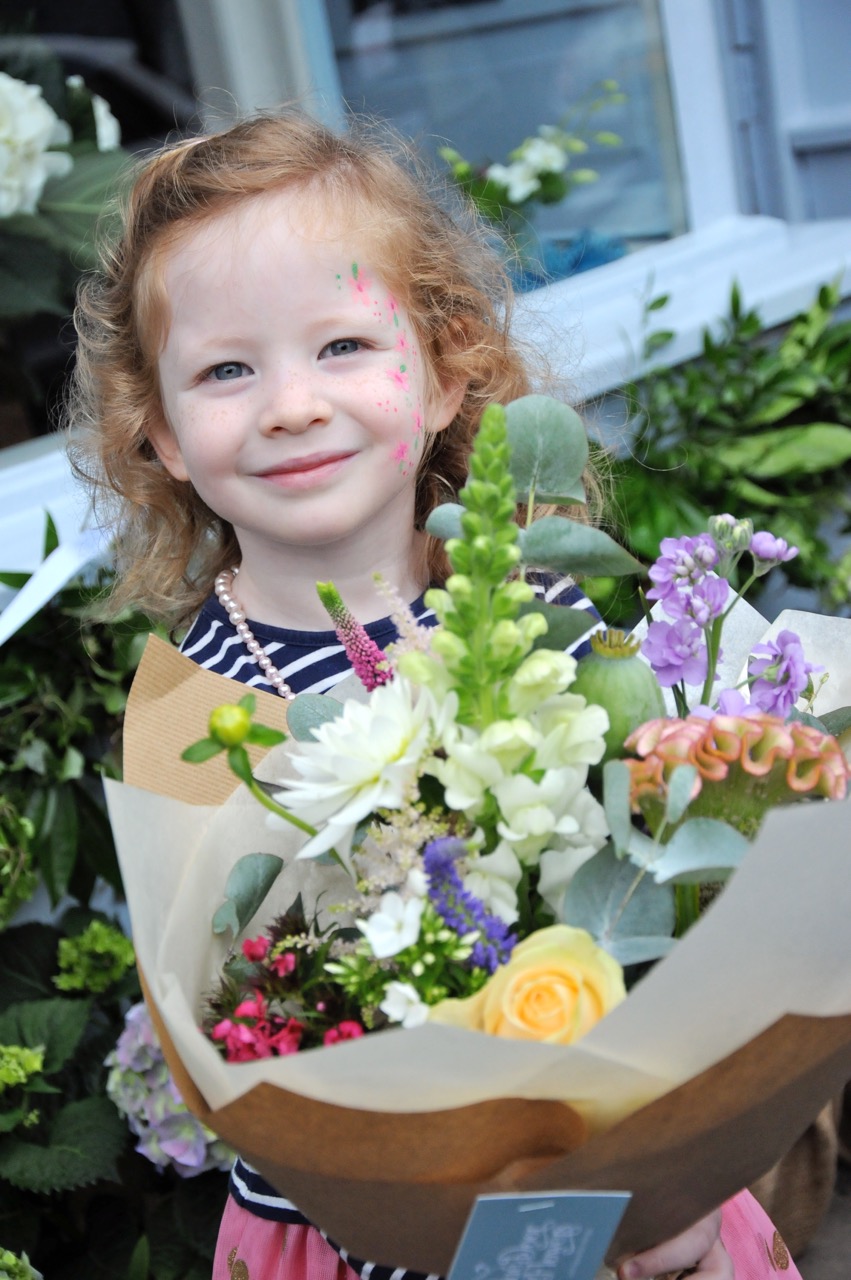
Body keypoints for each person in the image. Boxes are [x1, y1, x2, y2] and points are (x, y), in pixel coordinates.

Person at [68, 109, 800, 1280]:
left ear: (449, 365)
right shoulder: (191, 713)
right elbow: (246, 1034)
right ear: (156, 428)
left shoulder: (547, 614)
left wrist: (674, 1151)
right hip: (353, 1229)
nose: (291, 403)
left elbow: (671, 893)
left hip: (627, 1198)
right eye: (224, 369)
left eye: (344, 345)